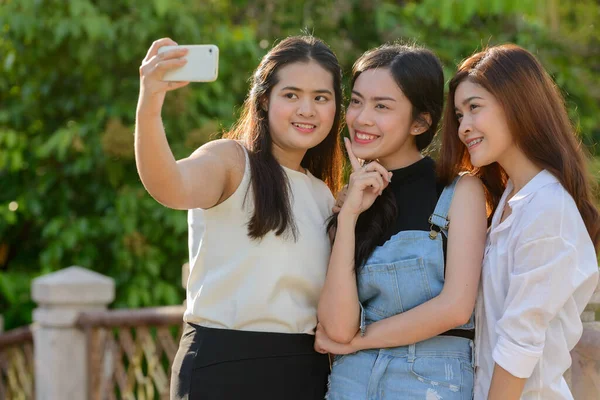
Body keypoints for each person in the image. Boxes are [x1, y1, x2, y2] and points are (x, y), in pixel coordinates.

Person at [134, 35, 344, 399]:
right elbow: (168, 185)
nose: (307, 110)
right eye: (291, 95)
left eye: (321, 98)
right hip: (224, 367)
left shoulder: (324, 194)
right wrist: (150, 102)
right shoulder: (232, 162)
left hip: (304, 372)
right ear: (264, 100)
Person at [315, 44, 488, 399]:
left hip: (430, 382)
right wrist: (347, 219)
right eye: (357, 101)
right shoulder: (351, 200)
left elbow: (455, 307)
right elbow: (335, 326)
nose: (362, 118)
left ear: (420, 121)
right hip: (352, 381)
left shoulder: (459, 191)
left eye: (382, 106)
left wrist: (360, 340)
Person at [442, 43, 600, 399]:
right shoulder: (510, 201)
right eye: (459, 115)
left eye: (474, 108)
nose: (464, 127)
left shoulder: (548, 207)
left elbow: (519, 343)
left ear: (518, 105)